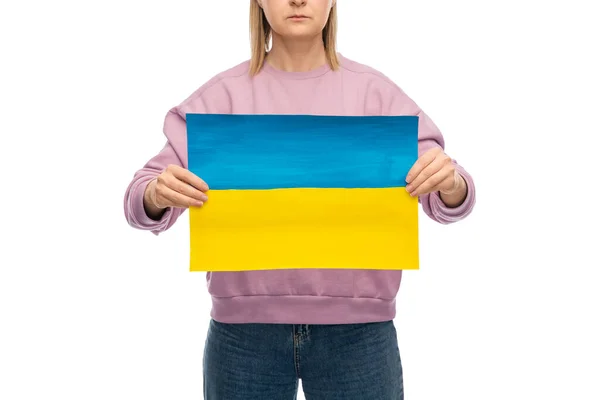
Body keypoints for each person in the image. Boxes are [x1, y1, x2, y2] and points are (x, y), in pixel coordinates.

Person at [123, 0, 476, 399]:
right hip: (243, 338)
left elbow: (452, 193)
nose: (297, 0)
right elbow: (140, 197)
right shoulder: (221, 97)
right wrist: (156, 194)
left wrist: (451, 183)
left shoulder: (375, 94)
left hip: (360, 337)